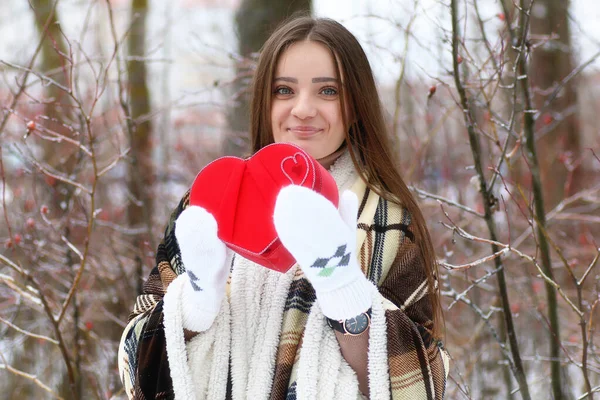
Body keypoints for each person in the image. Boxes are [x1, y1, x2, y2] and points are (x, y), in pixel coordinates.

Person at [118, 16, 449, 400]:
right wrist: (193, 305)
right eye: (284, 90)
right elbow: (134, 367)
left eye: (328, 91)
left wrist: (345, 293)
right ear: (265, 100)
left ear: (355, 106)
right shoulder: (208, 206)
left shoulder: (387, 221)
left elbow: (425, 386)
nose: (303, 109)